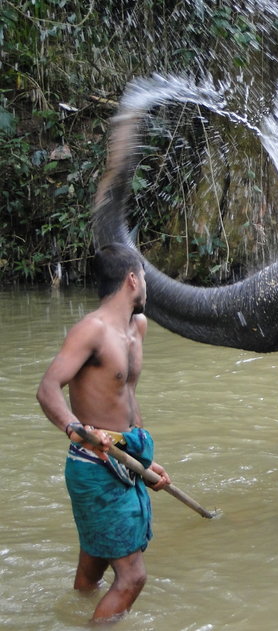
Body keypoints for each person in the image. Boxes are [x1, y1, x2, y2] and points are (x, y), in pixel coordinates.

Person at [37, 243, 171, 623]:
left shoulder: (137, 327)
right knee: (132, 577)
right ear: (132, 279)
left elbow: (126, 399)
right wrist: (75, 428)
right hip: (95, 465)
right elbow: (48, 388)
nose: (146, 285)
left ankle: (72, 612)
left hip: (126, 457)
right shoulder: (91, 331)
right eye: (144, 277)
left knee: (92, 571)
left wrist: (147, 463)